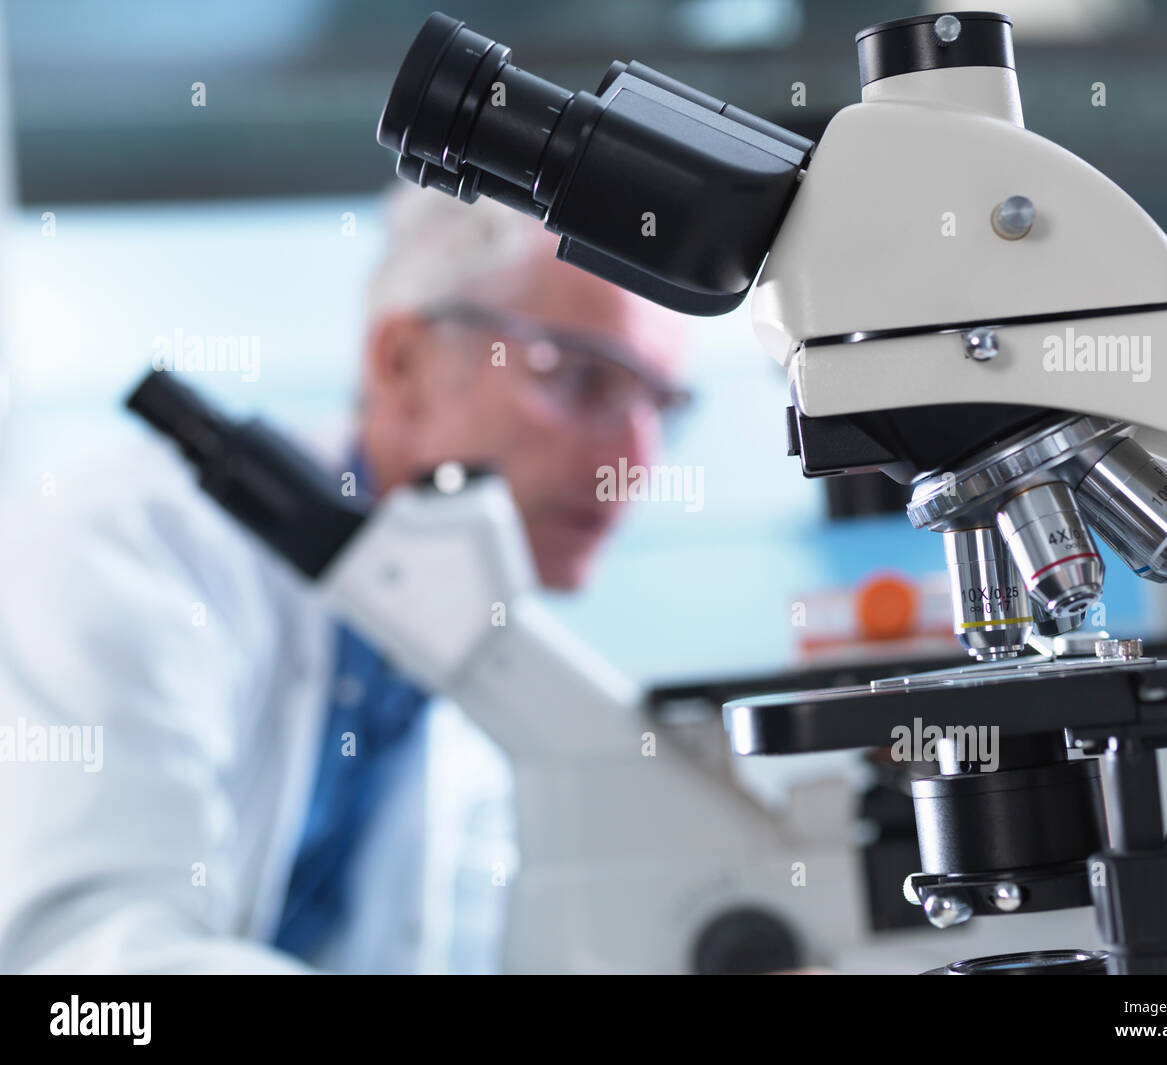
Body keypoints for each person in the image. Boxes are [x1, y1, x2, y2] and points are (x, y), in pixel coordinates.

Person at [0, 185, 689, 974]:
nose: (637, 463)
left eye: (664, 407)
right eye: (581, 380)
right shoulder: (134, 551)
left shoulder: (480, 667)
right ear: (404, 362)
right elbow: (82, 982)